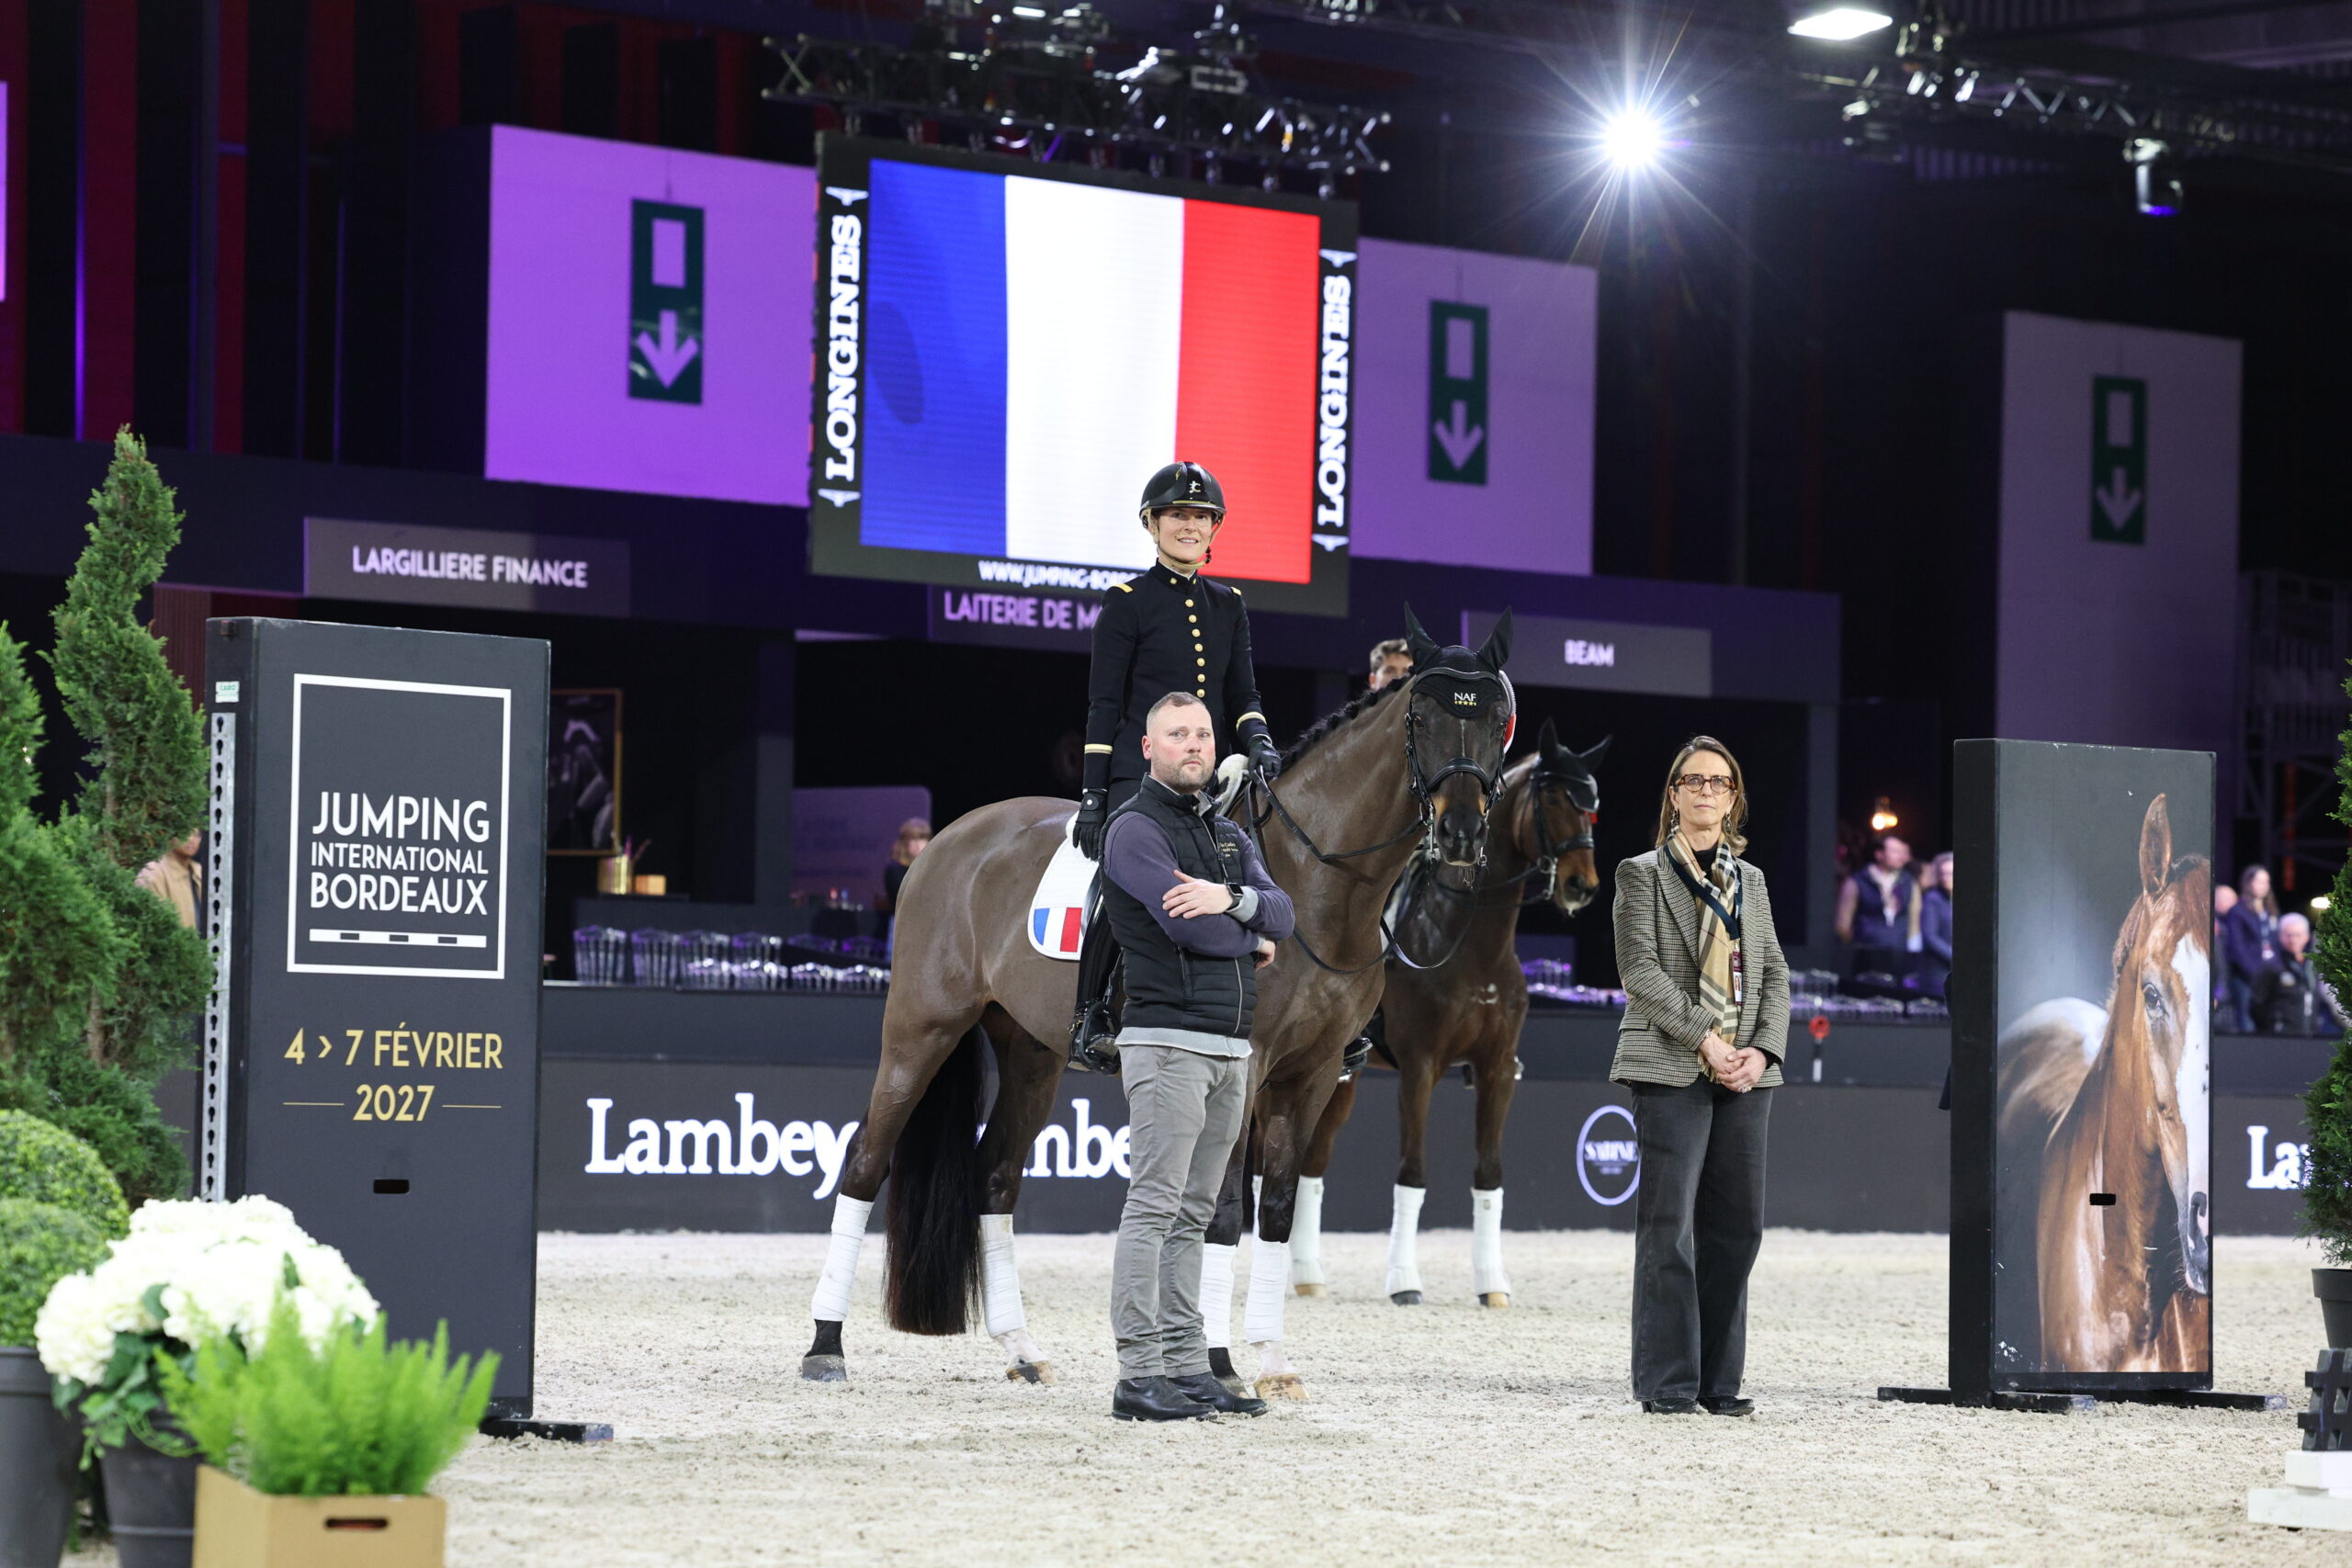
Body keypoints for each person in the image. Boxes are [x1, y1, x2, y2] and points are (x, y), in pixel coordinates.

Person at [1098, 692, 1294, 1422]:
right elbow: (1193, 934)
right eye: (1177, 734)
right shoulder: (1134, 828)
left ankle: (1185, 1364)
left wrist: (1232, 900)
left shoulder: (1227, 833)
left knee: (1193, 1213)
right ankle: (1136, 1372)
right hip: (1168, 1042)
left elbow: (1286, 913)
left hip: (1228, 1046)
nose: (1194, 744)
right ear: (1148, 748)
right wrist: (1251, 929)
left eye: (1203, 734)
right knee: (1153, 1207)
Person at [1069, 462, 1281, 1071]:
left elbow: (1242, 695)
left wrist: (1260, 741)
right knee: (1119, 879)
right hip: (1137, 778)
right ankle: (1090, 1015)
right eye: (1178, 515)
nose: (1190, 525)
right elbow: (1104, 703)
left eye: (1200, 516)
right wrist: (1093, 794)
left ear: (1213, 528)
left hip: (1206, 773)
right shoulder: (1127, 603)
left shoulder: (1229, 605)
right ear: (1154, 524)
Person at [1610, 736, 1788, 1417]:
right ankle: (1669, 1383)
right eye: (1694, 780)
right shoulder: (1641, 874)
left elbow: (1774, 972)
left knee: (1738, 1229)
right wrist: (1709, 1042)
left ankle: (1718, 1380)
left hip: (1745, 1072)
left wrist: (1762, 1052)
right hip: (1671, 1062)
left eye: (1720, 782)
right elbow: (1641, 974)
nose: (1707, 791)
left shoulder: (1755, 882)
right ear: (1675, 794)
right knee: (1669, 1229)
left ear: (1733, 796)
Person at [2252, 912, 2346, 1037]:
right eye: (2289, 935)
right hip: (2279, 1037)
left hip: (2310, 1035)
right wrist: (2272, 1027)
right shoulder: (2272, 966)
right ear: (2281, 936)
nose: (2293, 940)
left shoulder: (2314, 966)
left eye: (2298, 935)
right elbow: (2257, 1004)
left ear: (2306, 937)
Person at [1836, 832, 1918, 970]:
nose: (1901, 857)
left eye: (1902, 852)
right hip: (1866, 956)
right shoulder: (1858, 881)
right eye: (1895, 851)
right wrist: (1860, 944)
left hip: (1899, 955)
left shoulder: (1908, 882)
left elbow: (1914, 920)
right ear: (1879, 854)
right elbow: (1843, 924)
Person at [2221, 866, 2280, 1034]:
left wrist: (2276, 970)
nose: (2264, 886)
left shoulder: (2270, 912)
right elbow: (2237, 947)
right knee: (2246, 1020)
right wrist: (2255, 973)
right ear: (2248, 883)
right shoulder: (2238, 912)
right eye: (2259, 881)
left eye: (2266, 882)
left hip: (2269, 977)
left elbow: (2275, 944)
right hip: (2246, 977)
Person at [135, 829, 203, 932]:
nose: (191, 839)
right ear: (170, 836)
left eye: (196, 835)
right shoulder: (153, 872)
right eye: (185, 833)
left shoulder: (199, 870)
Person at [1917, 852, 1953, 998]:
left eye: (1950, 874)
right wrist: (1956, 957)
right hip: (1938, 970)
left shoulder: (1966, 900)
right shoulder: (1932, 898)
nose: (1946, 878)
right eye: (1942, 874)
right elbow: (1930, 936)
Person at [878, 818, 931, 913]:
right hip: (902, 922)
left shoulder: (931, 867)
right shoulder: (894, 870)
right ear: (905, 842)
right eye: (914, 839)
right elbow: (907, 900)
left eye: (922, 838)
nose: (918, 844)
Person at [2212, 884, 2239, 1016]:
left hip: (2228, 989)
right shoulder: (2213, 927)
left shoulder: (2231, 925)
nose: (2235, 905)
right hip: (2218, 994)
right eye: (2229, 900)